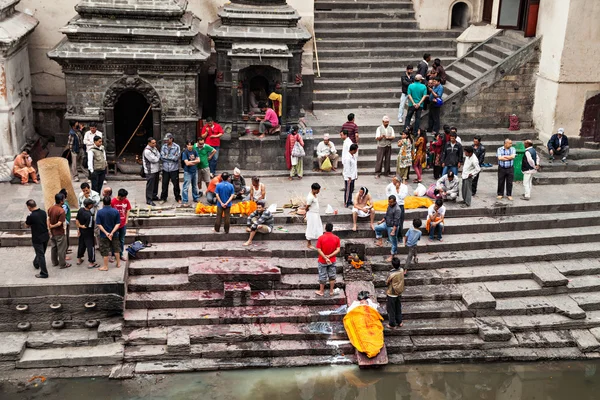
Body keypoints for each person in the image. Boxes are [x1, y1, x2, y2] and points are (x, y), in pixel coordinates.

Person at [315, 222, 341, 297]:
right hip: (332, 260)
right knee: (332, 275)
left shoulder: (321, 238)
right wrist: (329, 256)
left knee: (322, 275)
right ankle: (331, 291)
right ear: (332, 229)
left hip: (322, 260)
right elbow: (338, 249)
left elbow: (319, 249)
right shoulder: (336, 238)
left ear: (325, 228)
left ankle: (321, 291)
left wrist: (325, 257)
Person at [375, 195, 404, 262]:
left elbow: (397, 221)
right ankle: (380, 241)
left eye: (391, 202)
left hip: (392, 226)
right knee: (377, 228)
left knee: (393, 241)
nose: (389, 203)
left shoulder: (397, 209)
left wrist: (393, 230)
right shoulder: (389, 206)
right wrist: (381, 221)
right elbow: (386, 215)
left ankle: (392, 255)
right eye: (389, 202)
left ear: (394, 202)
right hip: (386, 223)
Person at [25, 199, 50, 278]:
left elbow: (26, 225)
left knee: (40, 255)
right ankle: (36, 263)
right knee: (41, 253)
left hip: (37, 238)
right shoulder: (43, 212)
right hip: (45, 235)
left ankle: (44, 273)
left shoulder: (31, 216)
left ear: (29, 207)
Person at [95, 196, 121, 271]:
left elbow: (99, 224)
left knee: (105, 251)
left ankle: (106, 266)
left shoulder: (100, 212)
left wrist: (106, 233)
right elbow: (118, 224)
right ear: (110, 202)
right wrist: (112, 233)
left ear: (103, 203)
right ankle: (118, 263)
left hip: (104, 235)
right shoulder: (115, 211)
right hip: (114, 234)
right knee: (116, 249)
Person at [48, 193, 70, 269]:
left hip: (52, 232)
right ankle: (62, 264)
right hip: (60, 232)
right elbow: (59, 223)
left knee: (53, 247)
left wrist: (50, 228)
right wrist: (52, 226)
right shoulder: (61, 211)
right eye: (63, 199)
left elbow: (48, 219)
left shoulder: (50, 208)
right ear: (61, 201)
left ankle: (54, 262)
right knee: (61, 249)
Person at [159, 133, 181, 205]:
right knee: (164, 184)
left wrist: (167, 157)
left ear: (171, 139)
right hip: (165, 169)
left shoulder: (177, 147)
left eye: (167, 139)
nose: (166, 141)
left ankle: (178, 197)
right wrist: (171, 157)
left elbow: (176, 158)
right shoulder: (163, 146)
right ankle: (163, 198)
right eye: (165, 140)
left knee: (176, 184)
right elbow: (162, 157)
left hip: (174, 169)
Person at [76, 198, 97, 269]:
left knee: (81, 245)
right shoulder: (89, 215)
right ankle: (91, 262)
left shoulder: (80, 210)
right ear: (89, 205)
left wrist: (79, 227)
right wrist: (82, 226)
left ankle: (79, 259)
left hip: (81, 232)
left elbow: (77, 220)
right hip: (88, 233)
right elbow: (86, 226)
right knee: (90, 247)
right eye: (92, 204)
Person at [111, 189, 131, 261]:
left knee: (121, 239)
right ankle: (113, 254)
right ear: (120, 196)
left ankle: (121, 254)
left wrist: (126, 219)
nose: (125, 198)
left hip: (123, 224)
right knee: (114, 239)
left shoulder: (126, 201)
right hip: (115, 224)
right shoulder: (113, 201)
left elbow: (128, 209)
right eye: (124, 197)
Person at [386, 257, 405, 328]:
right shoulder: (402, 270)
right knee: (398, 307)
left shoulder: (391, 274)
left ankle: (392, 324)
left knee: (391, 309)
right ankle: (399, 321)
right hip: (399, 292)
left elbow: (387, 282)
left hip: (392, 293)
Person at [181, 141, 200, 207]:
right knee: (186, 187)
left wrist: (191, 162)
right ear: (186, 145)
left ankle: (196, 198)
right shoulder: (185, 153)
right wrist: (195, 162)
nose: (190, 146)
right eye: (188, 145)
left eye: (191, 145)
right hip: (188, 172)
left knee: (195, 186)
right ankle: (185, 200)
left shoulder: (195, 151)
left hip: (194, 171)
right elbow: (187, 163)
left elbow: (199, 160)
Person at [143, 137, 161, 206]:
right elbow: (154, 160)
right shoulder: (147, 151)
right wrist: (157, 157)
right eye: (153, 143)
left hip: (156, 169)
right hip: (150, 170)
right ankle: (149, 199)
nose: (155, 144)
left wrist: (157, 157)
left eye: (155, 143)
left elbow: (158, 155)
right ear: (149, 143)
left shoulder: (154, 148)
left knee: (155, 184)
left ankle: (154, 196)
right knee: (150, 185)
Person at [306, 182, 324, 249]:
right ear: (313, 189)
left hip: (316, 214)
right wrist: (306, 212)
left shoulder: (314, 195)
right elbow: (307, 206)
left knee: (318, 227)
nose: (319, 191)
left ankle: (320, 242)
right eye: (318, 190)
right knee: (310, 228)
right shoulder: (310, 197)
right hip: (312, 214)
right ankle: (308, 243)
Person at [343, 144, 358, 208]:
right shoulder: (348, 158)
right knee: (348, 190)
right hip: (349, 177)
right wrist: (349, 177)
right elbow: (347, 168)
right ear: (353, 150)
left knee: (351, 189)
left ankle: (349, 200)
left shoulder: (352, 156)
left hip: (353, 176)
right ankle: (346, 202)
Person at [58, 188, 72, 256]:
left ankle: (66, 249)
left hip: (65, 222)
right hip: (65, 223)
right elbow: (63, 213)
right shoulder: (64, 205)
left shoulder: (62, 203)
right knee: (65, 237)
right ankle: (64, 251)